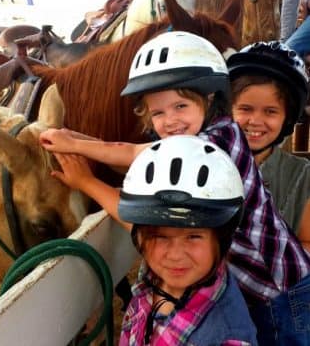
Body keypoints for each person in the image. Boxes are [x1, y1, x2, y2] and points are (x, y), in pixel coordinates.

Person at [40, 31, 310, 345]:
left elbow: (139, 187)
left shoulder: (217, 142)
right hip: (267, 284)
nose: (170, 121)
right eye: (158, 112)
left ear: (208, 100)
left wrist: (83, 168)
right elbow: (131, 151)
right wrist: (88, 145)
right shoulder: (211, 134)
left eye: (180, 106)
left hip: (282, 292)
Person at [117, 135, 258, 344]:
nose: (174, 255)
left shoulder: (227, 336)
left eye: (193, 236)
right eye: (160, 236)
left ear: (222, 239)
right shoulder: (153, 278)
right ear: (141, 238)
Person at [229, 41, 310, 249]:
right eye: (245, 109)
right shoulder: (206, 161)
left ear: (288, 118)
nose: (255, 121)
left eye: (270, 111)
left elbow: (307, 242)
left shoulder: (301, 176)